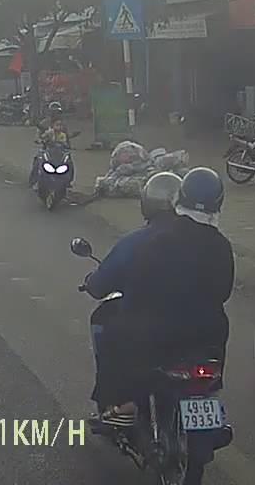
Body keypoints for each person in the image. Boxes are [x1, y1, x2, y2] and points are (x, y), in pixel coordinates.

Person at [89, 167, 235, 427]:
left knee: (115, 336)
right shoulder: (221, 244)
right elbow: (223, 292)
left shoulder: (153, 240)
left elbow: (139, 286)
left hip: (159, 332)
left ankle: (126, 404)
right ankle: (210, 403)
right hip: (209, 333)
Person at [85, 172, 183, 412]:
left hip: (149, 330)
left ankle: (117, 403)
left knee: (107, 330)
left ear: (147, 204)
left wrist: (91, 282)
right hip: (200, 330)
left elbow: (100, 285)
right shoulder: (204, 240)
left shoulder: (135, 242)